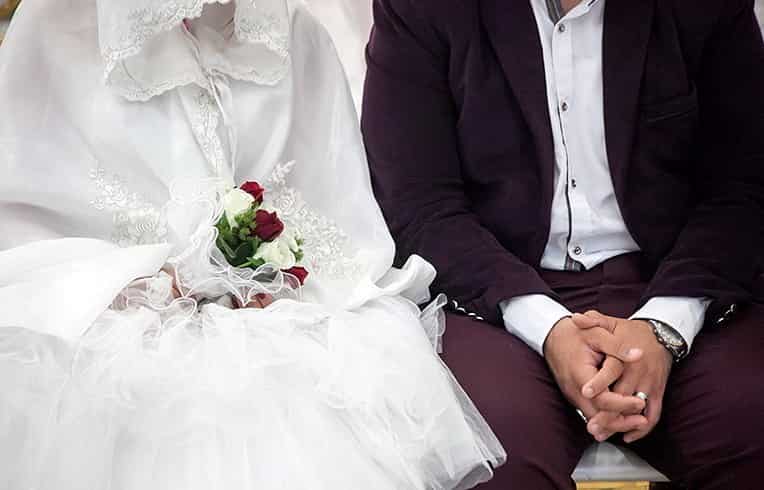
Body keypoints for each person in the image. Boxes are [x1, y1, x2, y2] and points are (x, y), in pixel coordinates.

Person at [0, 0, 509, 488]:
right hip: (113, 324)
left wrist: (273, 273)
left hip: (280, 319)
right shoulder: (54, 30)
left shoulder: (293, 34)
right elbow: (25, 227)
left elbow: (335, 210)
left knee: (308, 406)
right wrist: (148, 283)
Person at [363, 0, 764, 488]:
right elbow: (418, 204)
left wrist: (664, 327)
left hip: (680, 279)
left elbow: (742, 188)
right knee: (492, 458)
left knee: (752, 423)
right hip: (494, 294)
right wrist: (547, 328)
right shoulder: (422, 9)